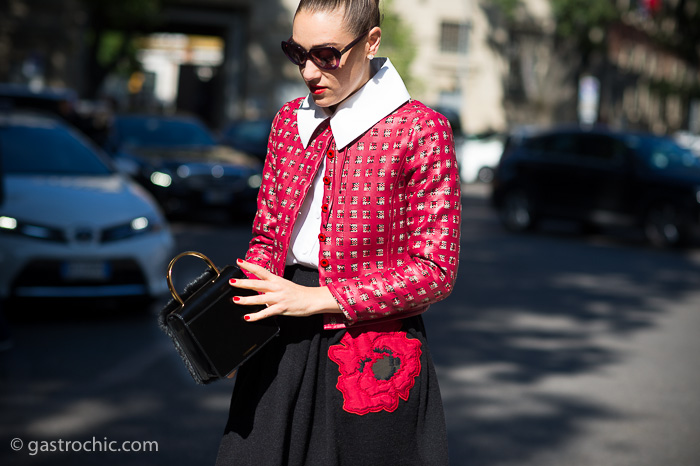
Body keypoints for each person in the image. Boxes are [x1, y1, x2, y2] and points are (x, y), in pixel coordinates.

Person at [215, 0, 461, 464]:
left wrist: (316, 299)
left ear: (370, 42)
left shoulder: (420, 129)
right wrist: (236, 331)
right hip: (277, 331)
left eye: (326, 55)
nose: (309, 71)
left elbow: (435, 270)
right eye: (297, 53)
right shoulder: (289, 122)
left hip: (372, 349)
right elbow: (267, 240)